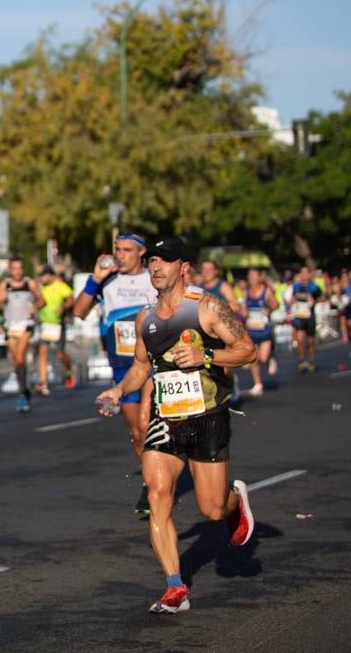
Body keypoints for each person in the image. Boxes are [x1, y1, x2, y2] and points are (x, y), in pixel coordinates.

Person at [95, 236, 257, 614]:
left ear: (183, 267)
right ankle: (174, 587)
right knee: (157, 492)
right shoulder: (145, 319)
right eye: (152, 260)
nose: (155, 267)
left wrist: (207, 354)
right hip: (167, 418)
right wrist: (119, 391)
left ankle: (234, 501)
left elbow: (246, 350)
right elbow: (140, 366)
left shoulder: (207, 308)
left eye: (164, 261)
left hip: (208, 417)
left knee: (212, 510)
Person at [73, 232, 158, 517]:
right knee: (137, 433)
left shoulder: (154, 278)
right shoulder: (107, 280)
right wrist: (95, 278)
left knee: (146, 423)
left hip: (154, 362)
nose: (120, 254)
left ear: (142, 252)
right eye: (117, 249)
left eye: (127, 250)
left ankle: (158, 483)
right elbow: (80, 311)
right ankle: (152, 481)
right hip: (124, 366)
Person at [0, 257, 43, 413]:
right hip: (11, 326)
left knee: (21, 356)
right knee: (16, 360)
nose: (17, 271)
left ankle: (22, 394)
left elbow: (42, 300)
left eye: (20, 268)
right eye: (14, 268)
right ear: (10, 270)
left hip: (26, 324)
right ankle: (25, 387)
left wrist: (35, 306)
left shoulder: (30, 283)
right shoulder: (5, 284)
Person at [238, 268, 279, 396]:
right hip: (251, 329)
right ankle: (258, 384)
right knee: (253, 358)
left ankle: (270, 359)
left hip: (264, 329)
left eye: (254, 276)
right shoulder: (246, 292)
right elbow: (244, 309)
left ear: (259, 277)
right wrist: (243, 313)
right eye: (249, 276)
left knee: (263, 357)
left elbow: (276, 304)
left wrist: (269, 310)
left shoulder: (266, 291)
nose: (251, 278)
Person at [36, 266, 76, 392]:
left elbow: (71, 299)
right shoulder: (41, 288)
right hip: (45, 324)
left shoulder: (60, 285)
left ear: (50, 275)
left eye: (44, 276)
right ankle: (43, 383)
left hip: (58, 324)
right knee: (42, 352)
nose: (42, 278)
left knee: (60, 354)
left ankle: (69, 369)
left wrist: (63, 307)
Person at [287, 266, 322, 372]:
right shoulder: (296, 286)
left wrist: (314, 301)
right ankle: (301, 360)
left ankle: (311, 361)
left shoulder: (314, 287)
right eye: (302, 273)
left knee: (311, 341)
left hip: (310, 317)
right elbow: (293, 298)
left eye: (306, 273)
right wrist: (291, 305)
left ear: (309, 275)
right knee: (300, 339)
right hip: (299, 316)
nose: (304, 276)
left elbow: (322, 296)